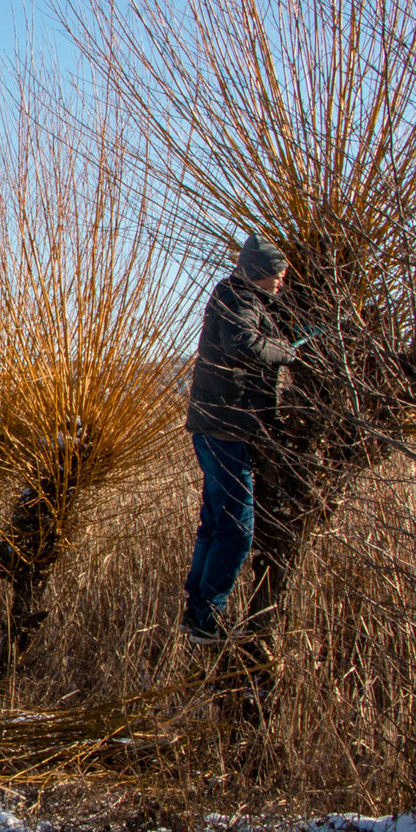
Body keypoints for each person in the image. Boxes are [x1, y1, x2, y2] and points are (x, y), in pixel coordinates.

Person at [180, 234, 296, 642]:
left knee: (214, 523)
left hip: (214, 426)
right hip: (224, 427)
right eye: (279, 273)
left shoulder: (236, 296)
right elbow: (242, 343)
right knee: (237, 527)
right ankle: (207, 617)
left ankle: (196, 611)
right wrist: (286, 351)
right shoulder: (241, 299)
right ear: (262, 272)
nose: (282, 280)